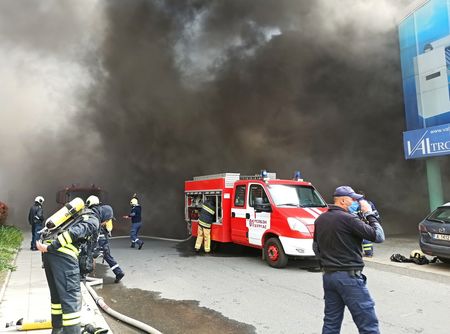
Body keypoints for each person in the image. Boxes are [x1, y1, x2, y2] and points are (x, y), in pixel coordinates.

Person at [313, 186, 385, 334]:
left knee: (331, 322)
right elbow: (379, 236)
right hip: (349, 277)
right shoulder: (349, 219)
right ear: (343, 200)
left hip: (329, 276)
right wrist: (369, 214)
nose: (356, 202)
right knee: (368, 323)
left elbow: (316, 248)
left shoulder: (320, 219)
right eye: (353, 199)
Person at [36, 202, 99, 334]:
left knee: (57, 298)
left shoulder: (77, 216)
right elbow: (75, 232)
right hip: (62, 256)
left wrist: (49, 248)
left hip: (49, 256)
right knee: (72, 299)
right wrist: (51, 246)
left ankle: (57, 330)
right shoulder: (93, 220)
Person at [86, 196, 125, 283]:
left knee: (88, 254)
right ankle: (118, 272)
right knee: (107, 256)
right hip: (104, 237)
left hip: (95, 238)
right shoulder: (105, 211)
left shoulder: (92, 212)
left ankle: (83, 275)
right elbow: (109, 227)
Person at [355, 190, 381, 257]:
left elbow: (356, 215)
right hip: (370, 222)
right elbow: (375, 213)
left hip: (363, 222)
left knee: (364, 239)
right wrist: (377, 221)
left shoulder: (357, 204)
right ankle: (369, 253)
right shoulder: (369, 203)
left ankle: (367, 253)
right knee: (367, 237)